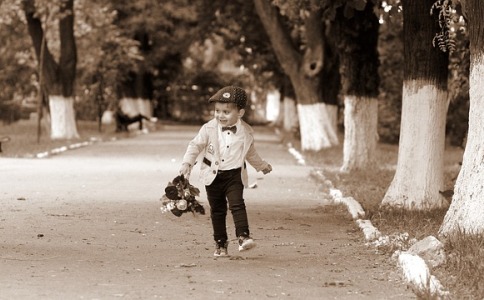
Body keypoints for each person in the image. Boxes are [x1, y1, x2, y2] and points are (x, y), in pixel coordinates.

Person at [179, 86, 272, 257]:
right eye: (217, 111)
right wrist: (187, 163)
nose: (220, 115)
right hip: (212, 176)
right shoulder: (208, 128)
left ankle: (243, 236)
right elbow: (195, 145)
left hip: (234, 175)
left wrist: (261, 165)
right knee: (218, 210)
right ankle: (220, 243)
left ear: (240, 113)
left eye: (226, 112)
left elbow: (250, 153)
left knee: (237, 204)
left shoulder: (246, 132)